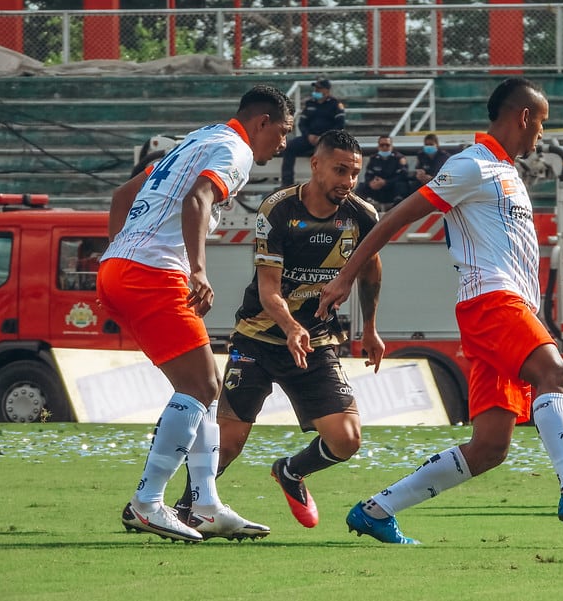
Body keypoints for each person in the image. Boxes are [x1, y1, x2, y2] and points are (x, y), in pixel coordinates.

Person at [317, 77, 563, 545]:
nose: (541, 135)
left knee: (490, 447)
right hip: (491, 301)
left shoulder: (506, 172)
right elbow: (397, 216)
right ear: (523, 116)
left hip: (508, 305)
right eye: (541, 123)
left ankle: (376, 510)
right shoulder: (472, 165)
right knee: (557, 375)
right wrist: (345, 276)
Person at [97, 85, 295, 542]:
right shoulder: (236, 149)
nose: (283, 143)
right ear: (262, 121)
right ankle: (146, 503)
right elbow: (198, 199)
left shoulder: (195, 139)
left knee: (201, 390)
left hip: (121, 268)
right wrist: (198, 270)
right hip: (154, 272)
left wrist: (116, 255)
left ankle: (205, 504)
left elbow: (122, 195)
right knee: (203, 386)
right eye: (282, 132)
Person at [172, 130, 383, 530]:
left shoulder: (362, 215)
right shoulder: (280, 209)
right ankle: (186, 509)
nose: (348, 182)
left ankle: (290, 471)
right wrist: (289, 326)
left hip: (316, 341)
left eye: (354, 173)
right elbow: (269, 288)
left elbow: (371, 269)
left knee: (347, 439)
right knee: (229, 443)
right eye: (340, 170)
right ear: (316, 165)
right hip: (258, 338)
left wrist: (370, 328)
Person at [280, 77, 346, 187]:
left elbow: (340, 125)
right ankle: (287, 183)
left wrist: (324, 137)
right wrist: (308, 135)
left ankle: (329, 182)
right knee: (290, 147)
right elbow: (302, 123)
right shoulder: (310, 103)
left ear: (327, 90)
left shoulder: (336, 105)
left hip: (328, 140)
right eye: (315, 88)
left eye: (319, 88)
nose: (316, 90)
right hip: (309, 139)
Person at [355, 135, 409, 211]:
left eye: (387, 145)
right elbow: (368, 175)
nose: (384, 147)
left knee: (401, 185)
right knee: (361, 187)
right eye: (382, 145)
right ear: (378, 146)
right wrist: (371, 183)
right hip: (378, 188)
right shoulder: (373, 158)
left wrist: (386, 182)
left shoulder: (399, 158)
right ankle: (362, 209)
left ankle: (396, 209)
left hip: (391, 188)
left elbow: (403, 175)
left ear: (392, 146)